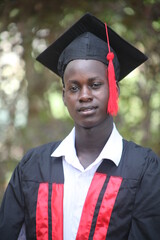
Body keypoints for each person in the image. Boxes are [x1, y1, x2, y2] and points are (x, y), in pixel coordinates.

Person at [0, 13, 160, 240]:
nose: (84, 96)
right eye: (74, 88)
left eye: (95, 85)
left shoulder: (144, 169)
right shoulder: (32, 166)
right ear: (64, 95)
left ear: (115, 89)